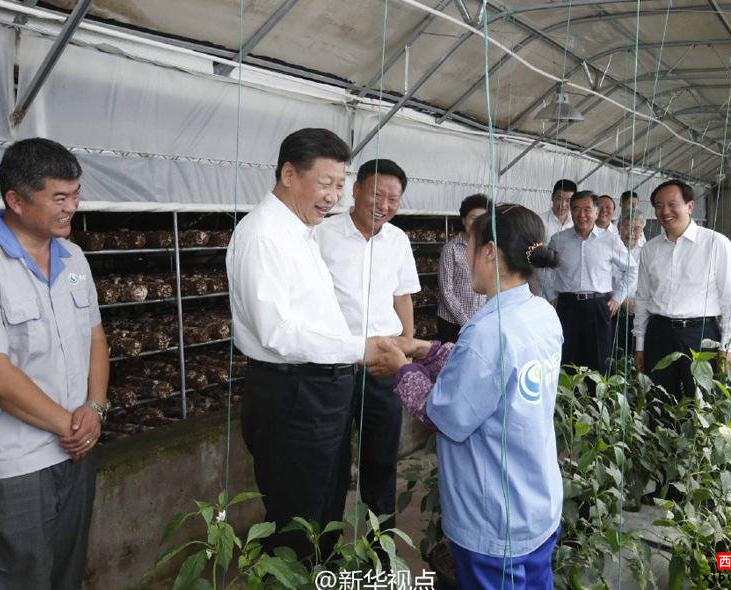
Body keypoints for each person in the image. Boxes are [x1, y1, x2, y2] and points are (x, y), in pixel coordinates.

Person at [0, 138, 109, 590]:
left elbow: (94, 337)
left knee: (68, 571)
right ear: (16, 200)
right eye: (59, 197)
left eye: (76, 194)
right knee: (21, 577)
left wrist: (95, 407)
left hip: (75, 447)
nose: (72, 207)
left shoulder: (73, 258)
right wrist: (70, 425)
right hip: (12, 460)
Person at [369, 203, 563, 589]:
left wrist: (401, 368)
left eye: (469, 246)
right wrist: (427, 349)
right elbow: (490, 373)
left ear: (489, 252)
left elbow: (443, 414)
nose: (466, 255)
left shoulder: (488, 332)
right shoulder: (540, 313)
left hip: (495, 515)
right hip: (536, 501)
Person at [225, 128, 383, 558]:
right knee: (296, 518)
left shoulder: (301, 231)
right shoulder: (263, 235)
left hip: (320, 391)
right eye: (326, 183)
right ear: (289, 174)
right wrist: (357, 348)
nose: (334, 196)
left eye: (340, 185)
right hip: (292, 394)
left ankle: (320, 573)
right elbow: (277, 332)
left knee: (325, 505)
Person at [315, 158, 420, 531]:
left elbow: (402, 295)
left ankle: (381, 542)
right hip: (335, 364)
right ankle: (325, 545)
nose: (384, 205)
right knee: (331, 460)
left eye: (393, 199)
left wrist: (406, 344)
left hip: (382, 365)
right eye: (377, 194)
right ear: (356, 189)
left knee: (381, 458)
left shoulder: (398, 240)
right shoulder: (322, 234)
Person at [633, 180, 731, 399]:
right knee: (658, 401)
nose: (665, 211)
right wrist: (640, 345)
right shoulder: (650, 249)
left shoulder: (715, 243)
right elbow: (643, 299)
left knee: (703, 402)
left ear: (690, 206)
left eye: (672, 204)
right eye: (658, 205)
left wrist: (728, 347)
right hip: (659, 335)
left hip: (700, 335)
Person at [542, 191, 637, 373]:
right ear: (571, 211)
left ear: (596, 212)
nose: (581, 214)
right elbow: (544, 268)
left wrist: (618, 298)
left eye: (587, 209)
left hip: (598, 306)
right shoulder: (559, 240)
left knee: (598, 360)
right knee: (567, 358)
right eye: (576, 209)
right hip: (567, 305)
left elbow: (631, 269)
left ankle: (596, 392)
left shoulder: (610, 240)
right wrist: (551, 295)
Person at [436, 193, 490, 342]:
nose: (478, 223)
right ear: (464, 220)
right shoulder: (451, 249)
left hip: (479, 321)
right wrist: (466, 322)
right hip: (452, 323)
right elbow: (446, 291)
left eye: (483, 219)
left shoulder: (488, 249)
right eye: (473, 218)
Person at [613, 211, 647, 361]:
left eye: (637, 228)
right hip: (612, 309)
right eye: (627, 227)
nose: (632, 232)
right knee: (613, 355)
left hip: (636, 312)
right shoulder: (610, 247)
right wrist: (620, 299)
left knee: (634, 356)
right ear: (619, 227)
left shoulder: (646, 251)